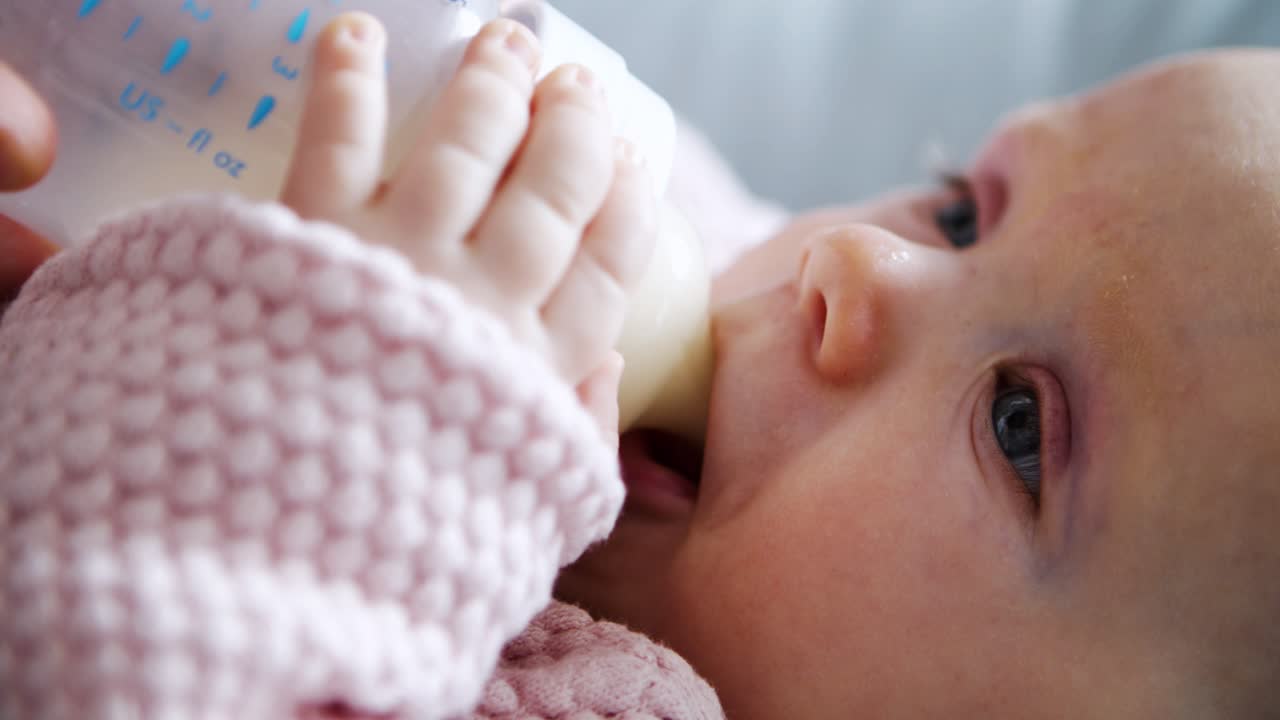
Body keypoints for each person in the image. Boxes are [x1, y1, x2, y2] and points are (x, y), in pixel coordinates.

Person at [3, 12, 1278, 720]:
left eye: (1017, 424)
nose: (856, 263)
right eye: (959, 208)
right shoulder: (687, 241)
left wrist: (350, 417)